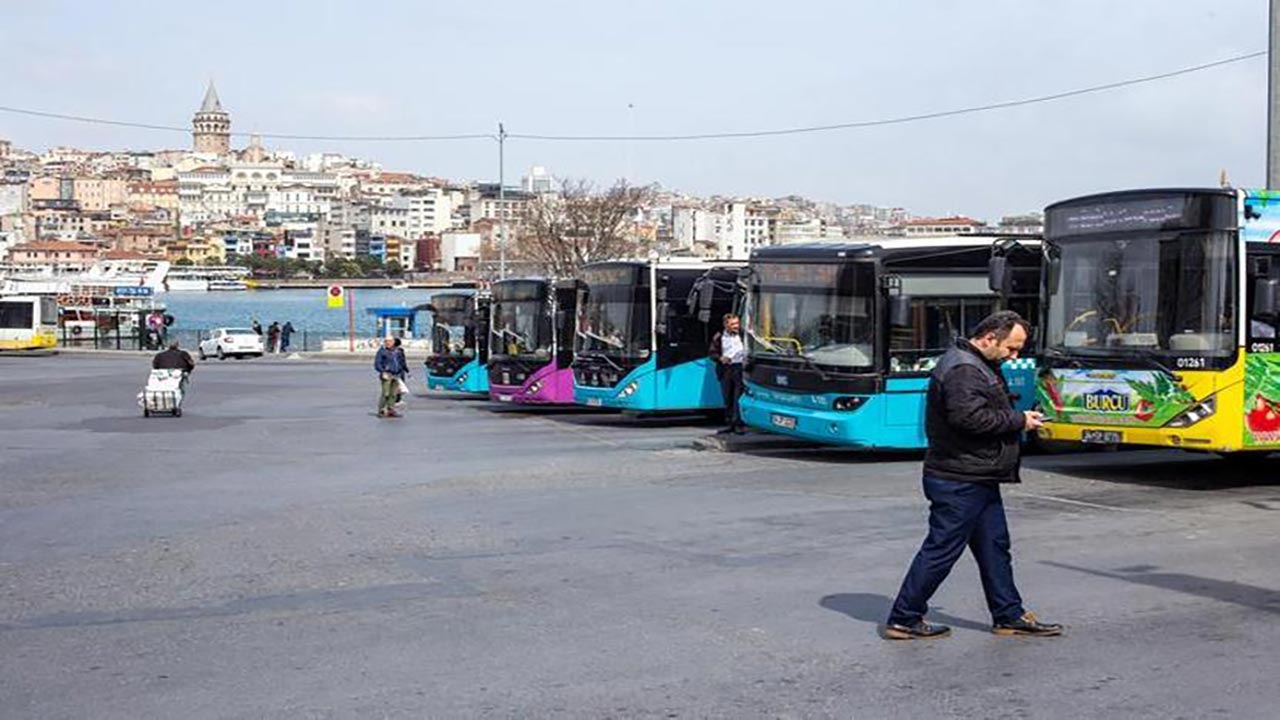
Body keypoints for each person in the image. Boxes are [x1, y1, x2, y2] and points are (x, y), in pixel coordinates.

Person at [884, 310, 1063, 640]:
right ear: (989, 337)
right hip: (959, 477)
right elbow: (969, 419)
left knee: (994, 546)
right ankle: (904, 617)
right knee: (941, 550)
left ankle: (1008, 614)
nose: (1015, 356)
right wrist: (1018, 421)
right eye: (1011, 348)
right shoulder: (965, 369)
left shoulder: (975, 363)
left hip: (976, 474)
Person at [708, 313, 747, 435]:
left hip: (740, 367)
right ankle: (730, 423)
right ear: (726, 325)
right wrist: (720, 358)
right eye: (732, 324)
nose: (736, 326)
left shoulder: (744, 335)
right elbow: (712, 353)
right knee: (728, 397)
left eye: (737, 323)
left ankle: (739, 424)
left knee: (738, 397)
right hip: (726, 369)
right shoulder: (719, 337)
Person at [374, 336, 407, 418]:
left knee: (393, 394)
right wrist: (383, 371)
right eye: (387, 341)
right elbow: (377, 364)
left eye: (390, 341)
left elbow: (401, 362)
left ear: (393, 342)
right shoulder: (382, 351)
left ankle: (391, 410)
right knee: (386, 393)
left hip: (396, 374)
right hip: (387, 374)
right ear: (385, 342)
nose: (389, 343)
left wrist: (404, 371)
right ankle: (381, 410)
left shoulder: (397, 351)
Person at [392, 336, 409, 404]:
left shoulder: (389, 350)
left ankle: (393, 399)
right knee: (400, 384)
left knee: (393, 385)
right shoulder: (400, 351)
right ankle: (397, 400)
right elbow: (403, 361)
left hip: (391, 370)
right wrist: (407, 370)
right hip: (399, 370)